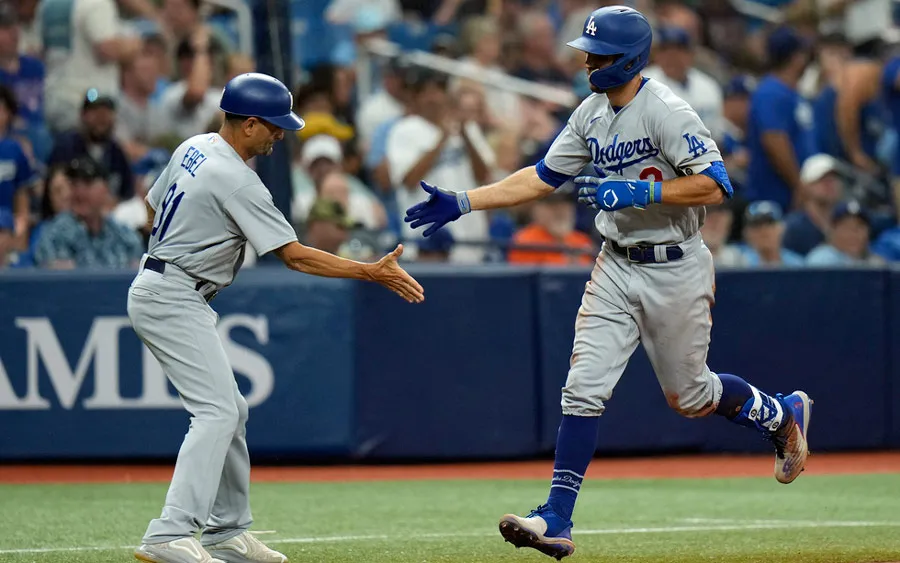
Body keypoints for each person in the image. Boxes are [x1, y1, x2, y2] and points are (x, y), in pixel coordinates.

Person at [403, 8, 811, 560]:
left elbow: (717, 186)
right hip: (615, 263)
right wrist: (465, 200)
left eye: (599, 55)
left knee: (691, 396)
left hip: (675, 264)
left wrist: (645, 193)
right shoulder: (590, 113)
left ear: (629, 59)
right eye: (588, 52)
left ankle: (781, 415)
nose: (588, 61)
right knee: (583, 387)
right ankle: (556, 516)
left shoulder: (667, 110)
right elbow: (542, 177)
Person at [128, 72, 422, 563]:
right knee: (217, 412)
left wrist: (180, 248)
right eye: (273, 125)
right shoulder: (238, 179)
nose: (280, 135)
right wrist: (368, 271)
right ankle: (169, 533)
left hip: (165, 283)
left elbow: (151, 207)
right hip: (173, 293)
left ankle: (226, 532)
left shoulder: (193, 146)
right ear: (247, 124)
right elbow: (295, 256)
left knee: (232, 410)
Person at [745, 26, 815, 212]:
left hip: (796, 193)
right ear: (796, 57)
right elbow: (774, 141)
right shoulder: (770, 92)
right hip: (776, 197)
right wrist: (798, 184)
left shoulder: (790, 90)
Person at [34, 156, 143, 269]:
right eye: (74, 184)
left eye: (87, 183)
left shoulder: (125, 237)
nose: (79, 192)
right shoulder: (54, 235)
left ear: (105, 188)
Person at [782, 153, 844, 256]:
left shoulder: (851, 220)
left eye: (833, 179)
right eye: (822, 180)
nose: (829, 185)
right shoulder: (793, 228)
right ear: (805, 186)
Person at [806, 200, 884, 266]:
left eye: (859, 227)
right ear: (832, 231)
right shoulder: (821, 261)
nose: (853, 234)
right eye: (846, 227)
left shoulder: (874, 262)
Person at [740, 200, 805, 267]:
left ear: (781, 228)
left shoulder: (797, 265)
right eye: (757, 225)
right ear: (747, 232)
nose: (764, 231)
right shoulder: (740, 263)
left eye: (769, 224)